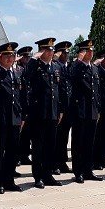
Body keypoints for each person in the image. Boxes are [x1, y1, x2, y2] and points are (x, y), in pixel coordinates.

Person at [23, 37, 63, 188]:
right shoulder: (35, 66)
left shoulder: (55, 67)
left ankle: (48, 174)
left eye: (52, 50)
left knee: (50, 146)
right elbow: (26, 77)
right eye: (48, 50)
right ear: (42, 51)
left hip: (52, 112)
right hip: (38, 113)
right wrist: (34, 59)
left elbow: (57, 91)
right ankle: (38, 176)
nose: (51, 52)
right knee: (38, 147)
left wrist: (60, 110)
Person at [0, 42, 25, 194]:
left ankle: (9, 180)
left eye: (12, 55)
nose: (10, 58)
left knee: (12, 151)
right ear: (0, 57)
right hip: (0, 118)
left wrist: (22, 115)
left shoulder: (16, 73)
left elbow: (20, 96)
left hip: (14, 118)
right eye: (6, 55)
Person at [69, 40, 102, 183]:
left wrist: (98, 108)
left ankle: (88, 170)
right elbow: (70, 76)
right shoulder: (76, 68)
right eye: (87, 51)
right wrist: (78, 61)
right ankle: (78, 172)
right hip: (80, 111)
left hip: (92, 110)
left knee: (90, 143)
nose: (90, 53)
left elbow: (97, 91)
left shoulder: (94, 69)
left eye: (91, 50)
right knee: (78, 143)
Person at [53, 40, 73, 175]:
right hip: (58, 108)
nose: (66, 55)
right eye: (63, 53)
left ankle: (62, 161)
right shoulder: (55, 66)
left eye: (67, 52)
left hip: (69, 107)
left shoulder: (69, 67)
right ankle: (54, 163)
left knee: (64, 137)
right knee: (56, 137)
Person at [16, 46, 33, 167]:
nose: (27, 59)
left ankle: (25, 155)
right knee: (19, 134)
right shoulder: (18, 69)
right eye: (25, 57)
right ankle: (17, 156)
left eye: (29, 56)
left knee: (27, 133)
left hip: (29, 104)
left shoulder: (30, 69)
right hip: (20, 105)